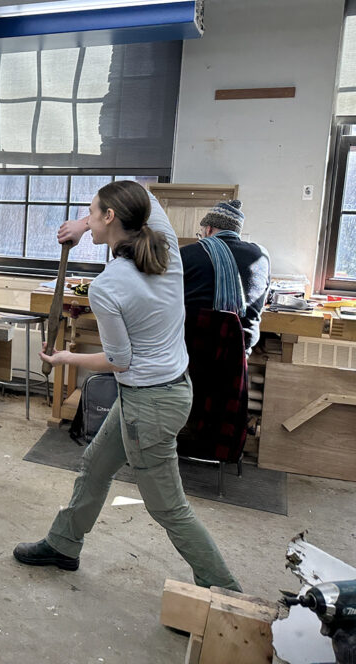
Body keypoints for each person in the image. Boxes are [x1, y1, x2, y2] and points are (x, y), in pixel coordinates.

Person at [13, 180, 241, 591]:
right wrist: (85, 224)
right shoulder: (167, 249)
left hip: (149, 404)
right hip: (165, 391)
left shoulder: (109, 286)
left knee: (170, 508)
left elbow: (119, 361)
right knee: (95, 467)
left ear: (110, 217)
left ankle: (227, 593)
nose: (88, 217)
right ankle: (63, 544)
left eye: (92, 210)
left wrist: (65, 358)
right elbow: (139, 191)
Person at [182, 200, 270, 355]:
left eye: (200, 233)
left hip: (194, 346)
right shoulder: (261, 256)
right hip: (241, 348)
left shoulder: (189, 254)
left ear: (208, 230)